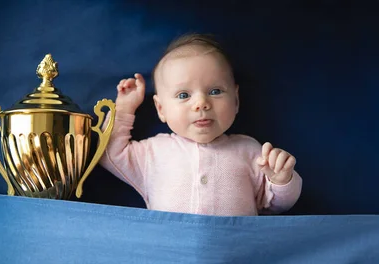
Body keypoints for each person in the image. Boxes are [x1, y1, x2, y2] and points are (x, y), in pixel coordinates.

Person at [99, 33, 302, 216]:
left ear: (236, 101)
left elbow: (275, 206)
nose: (201, 104)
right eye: (184, 95)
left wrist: (281, 180)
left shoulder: (250, 151)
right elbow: (109, 154)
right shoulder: (153, 152)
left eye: (215, 91)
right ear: (161, 109)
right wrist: (125, 108)